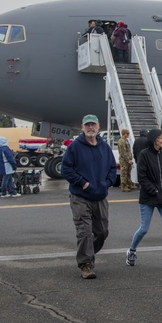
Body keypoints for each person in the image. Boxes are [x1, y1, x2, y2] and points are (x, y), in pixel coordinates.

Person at [61, 114, 119, 279]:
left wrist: (107, 182)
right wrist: (83, 183)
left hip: (100, 196)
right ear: (82, 127)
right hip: (81, 196)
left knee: (102, 232)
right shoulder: (74, 147)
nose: (90, 128)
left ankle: (87, 252)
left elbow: (112, 168)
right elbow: (66, 169)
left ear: (98, 126)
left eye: (93, 125)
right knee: (85, 231)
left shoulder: (104, 147)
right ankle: (86, 264)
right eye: (87, 125)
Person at [126, 129, 162, 270]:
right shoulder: (144, 155)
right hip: (148, 198)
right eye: (161, 138)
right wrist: (154, 190)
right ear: (154, 139)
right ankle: (131, 251)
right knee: (144, 228)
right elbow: (142, 177)